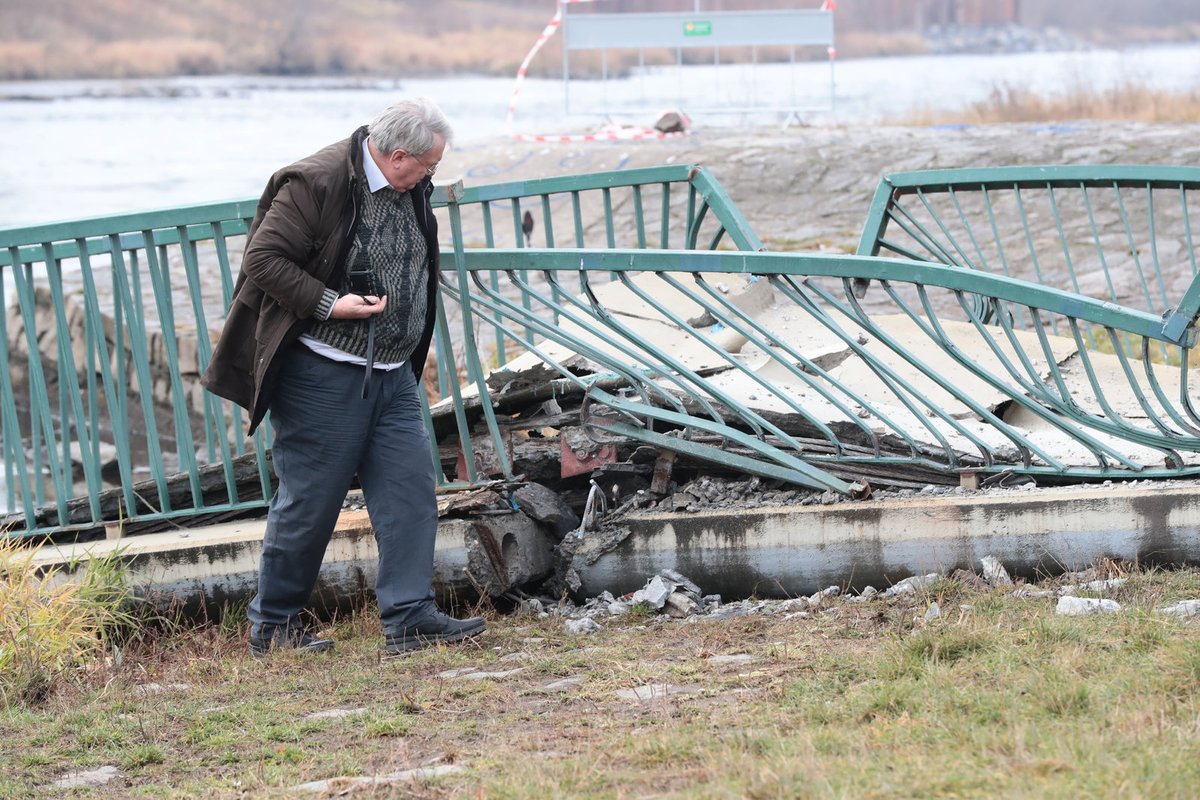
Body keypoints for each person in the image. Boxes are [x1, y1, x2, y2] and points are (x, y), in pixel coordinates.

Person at [202, 97, 485, 658]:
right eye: (428, 167)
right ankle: (274, 626)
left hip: (392, 371)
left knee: (409, 492)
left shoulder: (409, 182)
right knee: (311, 501)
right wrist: (331, 303)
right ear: (397, 154)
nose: (432, 177)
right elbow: (263, 260)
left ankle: (408, 617)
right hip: (322, 372)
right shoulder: (318, 180)